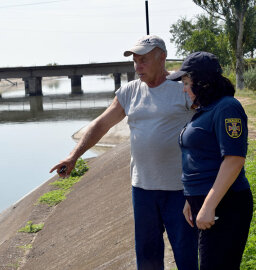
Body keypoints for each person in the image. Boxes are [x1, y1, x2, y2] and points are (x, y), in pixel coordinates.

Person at [50, 35, 198, 270]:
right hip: (143, 190)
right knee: (147, 258)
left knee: (186, 256)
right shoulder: (129, 92)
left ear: (162, 58)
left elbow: (210, 122)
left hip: (179, 190)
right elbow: (102, 124)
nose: (138, 67)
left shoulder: (183, 91)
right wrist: (74, 155)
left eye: (144, 60)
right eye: (135, 61)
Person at [167, 51, 253, 270]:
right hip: (206, 203)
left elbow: (234, 160)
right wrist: (191, 199)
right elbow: (200, 156)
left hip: (226, 205)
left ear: (203, 82)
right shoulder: (206, 110)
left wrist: (208, 205)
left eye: (187, 83)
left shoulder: (227, 107)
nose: (184, 89)